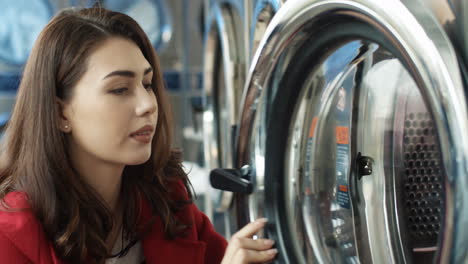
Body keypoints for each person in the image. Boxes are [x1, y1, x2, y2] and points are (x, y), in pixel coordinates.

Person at [0, 7, 277, 264]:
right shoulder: (10, 234)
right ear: (61, 113)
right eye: (120, 89)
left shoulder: (165, 199)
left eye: (147, 84)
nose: (148, 105)